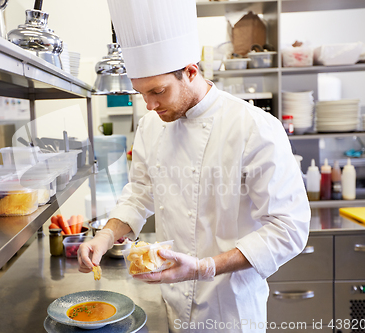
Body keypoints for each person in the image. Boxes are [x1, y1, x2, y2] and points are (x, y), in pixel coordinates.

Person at [78, 0, 311, 332]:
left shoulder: (252, 127)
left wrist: (204, 267)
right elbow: (140, 195)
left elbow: (289, 229)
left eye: (158, 91)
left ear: (190, 71)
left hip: (231, 314)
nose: (151, 104)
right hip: (170, 307)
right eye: (141, 93)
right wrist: (104, 237)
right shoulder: (150, 126)